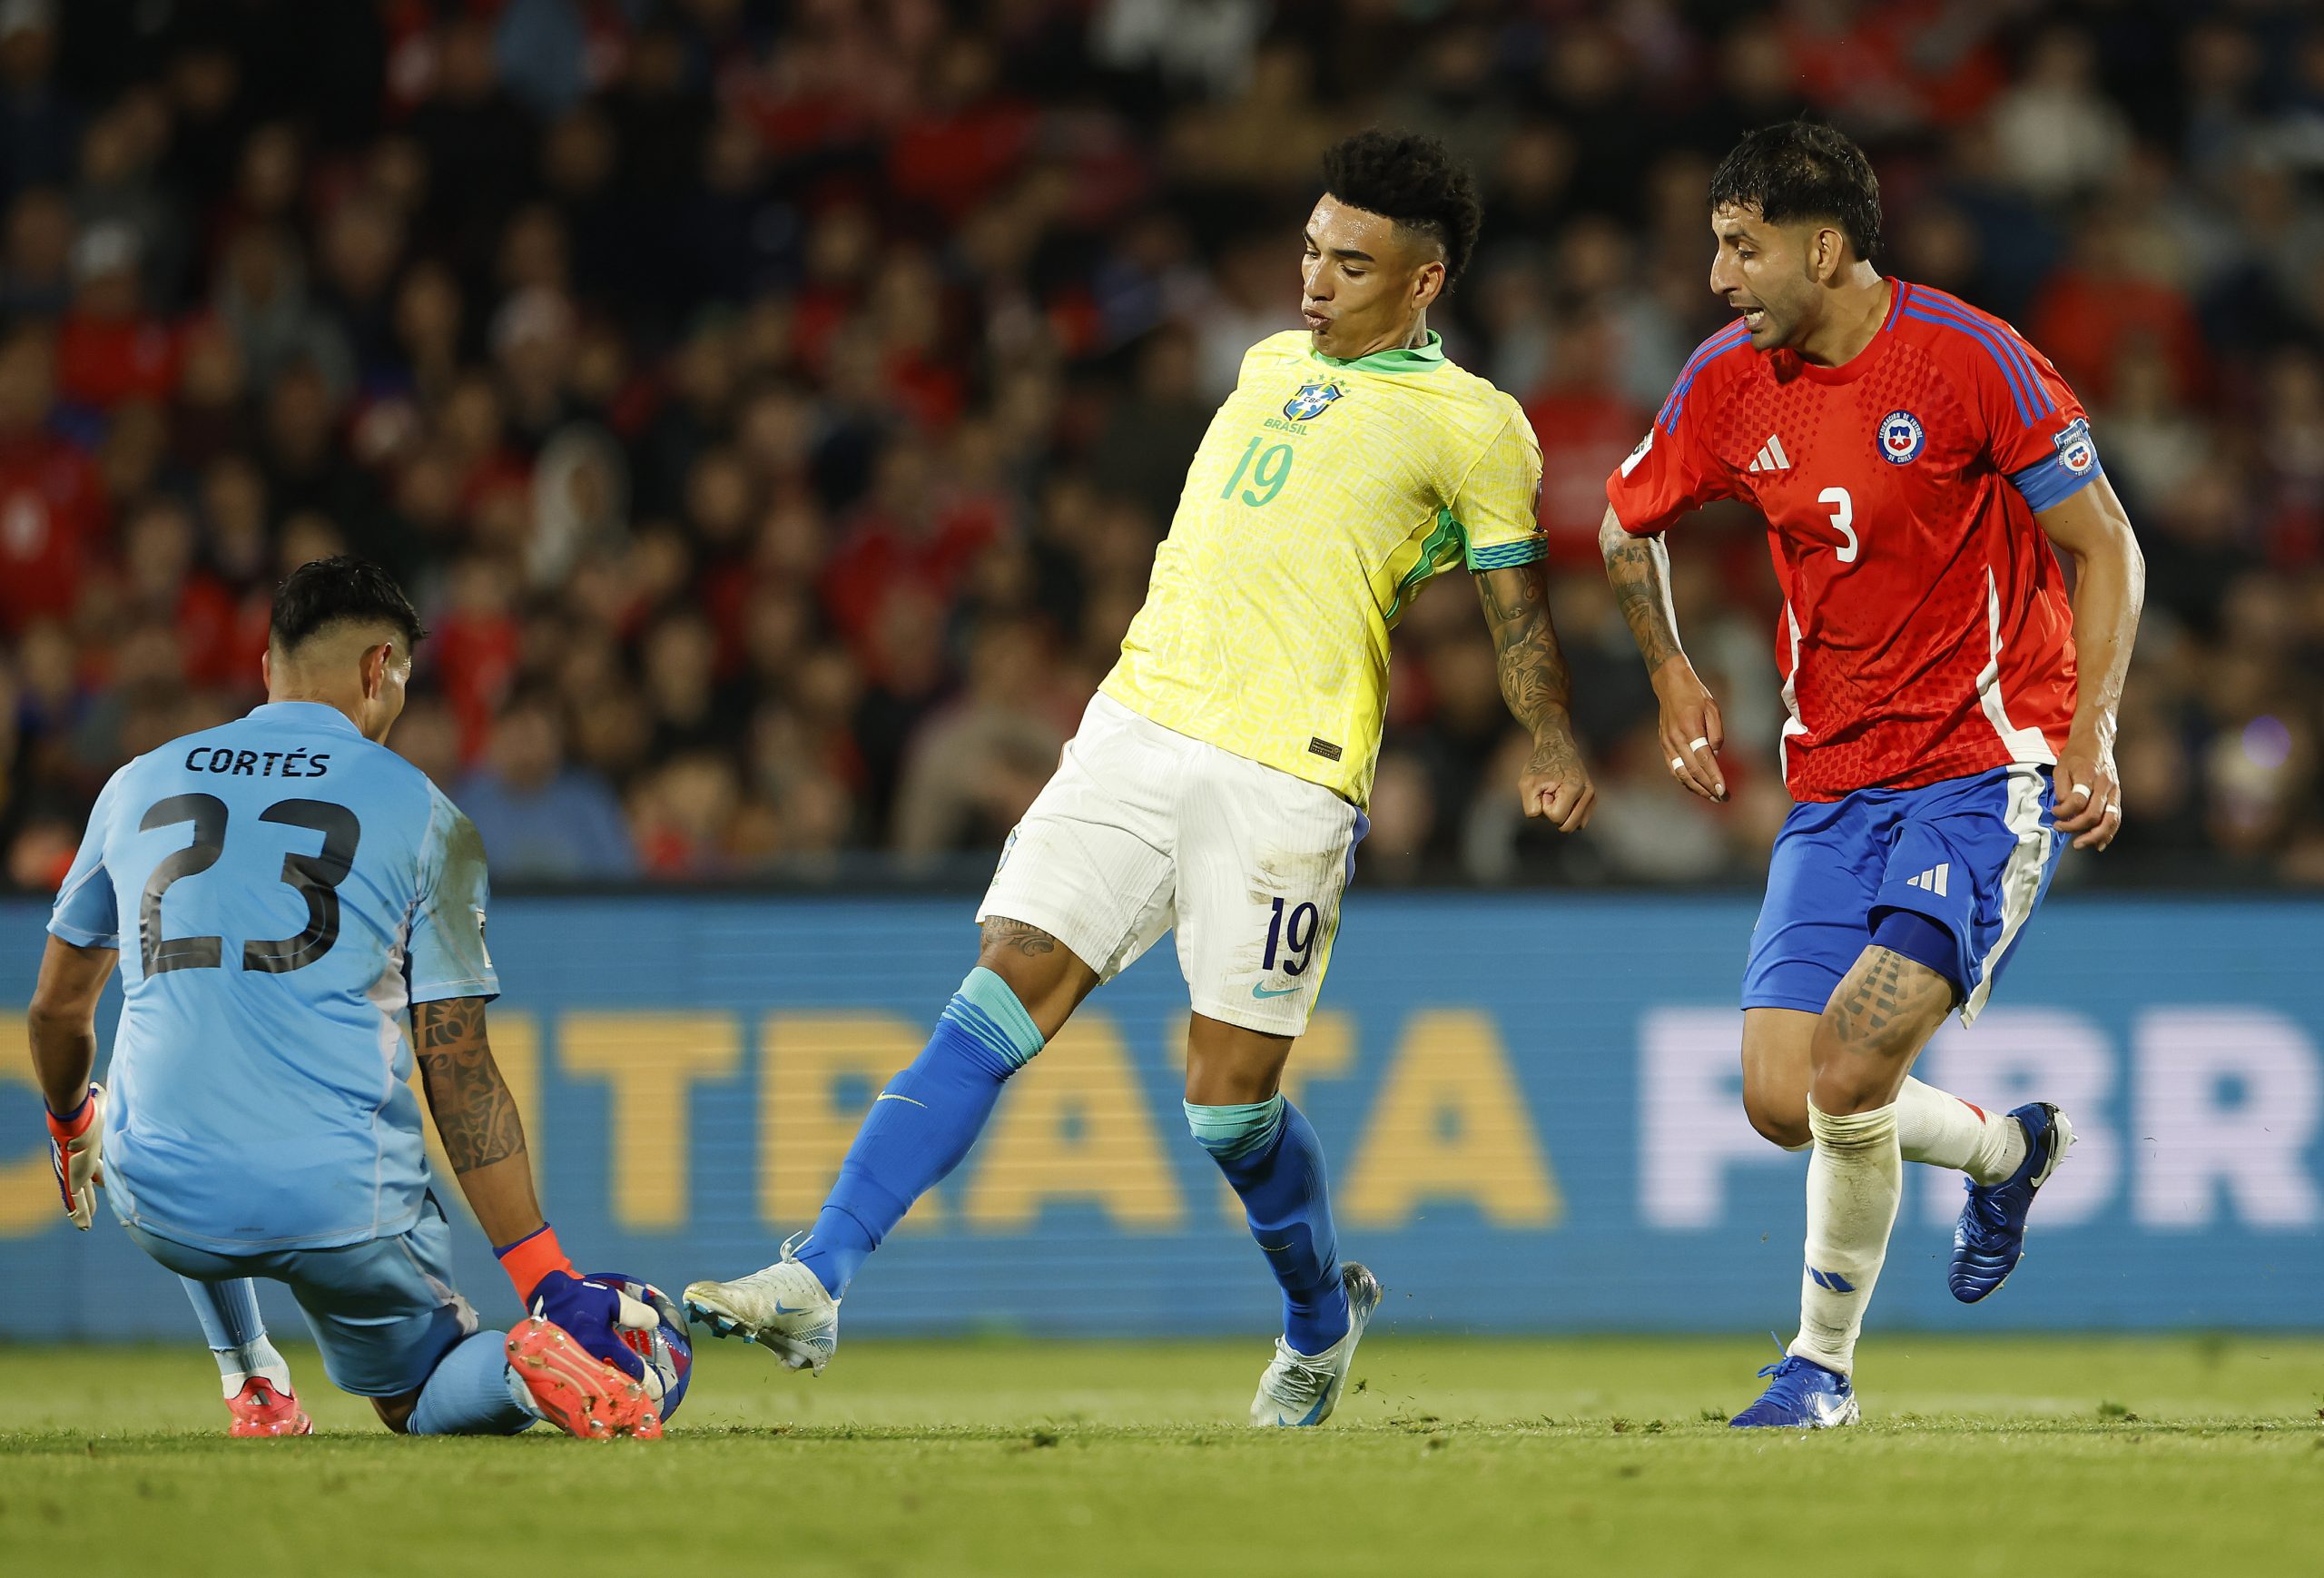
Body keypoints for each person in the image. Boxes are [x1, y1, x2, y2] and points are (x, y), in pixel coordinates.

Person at [684, 130, 1595, 1426]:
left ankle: (1320, 1321)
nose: (1314, 283)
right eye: (1309, 252)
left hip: (1292, 769)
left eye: (1350, 263)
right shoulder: (1268, 363)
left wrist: (1550, 736)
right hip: (1137, 723)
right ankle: (818, 1271)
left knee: (1227, 1108)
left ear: (1425, 281)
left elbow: (1515, 614)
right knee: (1001, 983)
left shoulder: (1477, 425)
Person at [1599, 122, 2143, 1427]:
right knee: (1782, 1100)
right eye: (1715, 248)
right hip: (1835, 782)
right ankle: (2008, 1152)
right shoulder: (1729, 381)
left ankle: (1818, 1370)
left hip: (1982, 767)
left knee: (1849, 1078)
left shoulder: (1970, 361)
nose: (1721, 278)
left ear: (1826, 246)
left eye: (1744, 248)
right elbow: (1626, 525)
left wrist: (2094, 734)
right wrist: (1671, 672)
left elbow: (2108, 546)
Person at [31, 556, 665, 1440]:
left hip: (164, 1205)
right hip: (341, 1210)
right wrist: (545, 1276)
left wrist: (69, 1123)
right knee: (418, 1394)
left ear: (268, 669)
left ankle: (249, 1374)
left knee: (161, 1067)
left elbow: (59, 1011)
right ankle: (526, 1369)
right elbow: (457, 1068)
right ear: (380, 669)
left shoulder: (137, 782)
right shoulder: (426, 815)